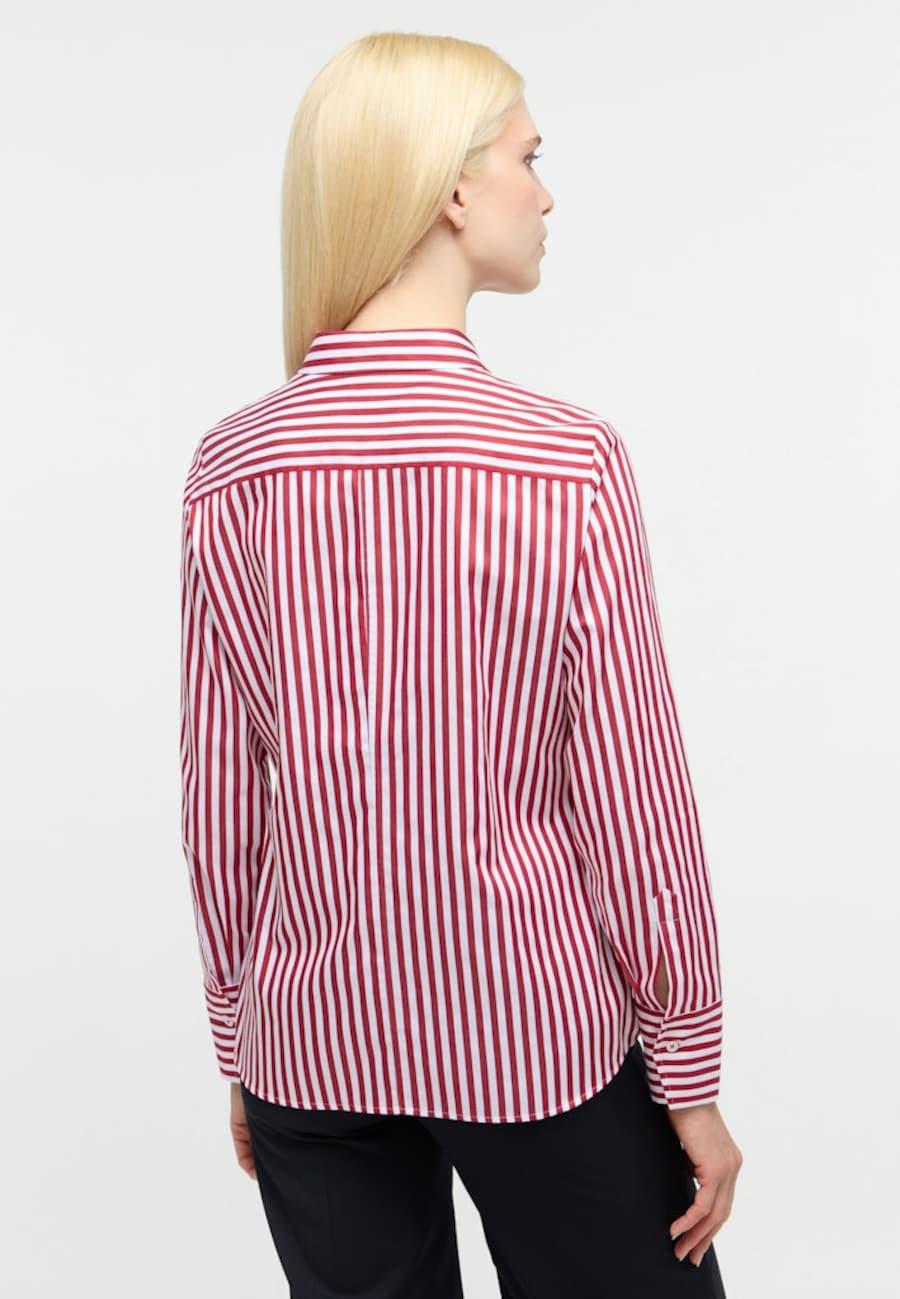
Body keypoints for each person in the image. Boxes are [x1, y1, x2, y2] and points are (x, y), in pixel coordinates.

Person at [179, 30, 742, 1299]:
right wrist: (690, 1076)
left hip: (309, 1043)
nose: (546, 193)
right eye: (529, 158)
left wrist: (241, 1036)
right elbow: (634, 798)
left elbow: (221, 801)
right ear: (449, 188)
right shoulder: (564, 461)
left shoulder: (234, 465)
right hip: (533, 1035)